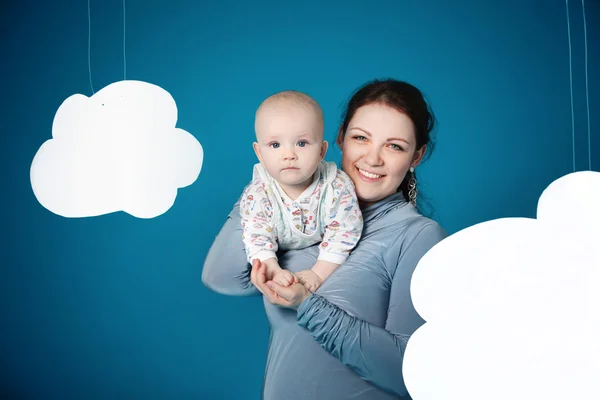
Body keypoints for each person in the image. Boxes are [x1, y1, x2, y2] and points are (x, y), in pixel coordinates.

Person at [202, 78, 448, 399]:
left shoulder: (419, 237)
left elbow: (411, 370)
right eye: (361, 138)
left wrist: (307, 305)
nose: (373, 159)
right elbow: (223, 277)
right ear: (339, 140)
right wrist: (269, 187)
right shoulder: (303, 219)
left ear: (416, 156)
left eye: (394, 146)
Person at [240, 91, 363, 292]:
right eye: (275, 144)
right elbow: (256, 235)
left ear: (322, 151)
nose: (289, 155)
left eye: (302, 143)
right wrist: (272, 270)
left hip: (322, 254)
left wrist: (318, 272)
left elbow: (345, 231)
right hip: (279, 252)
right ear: (259, 153)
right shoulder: (258, 193)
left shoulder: (336, 185)